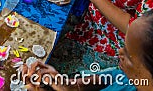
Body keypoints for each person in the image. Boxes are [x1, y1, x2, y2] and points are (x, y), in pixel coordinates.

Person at [24, 11, 153, 91]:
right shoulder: (134, 79)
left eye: (129, 56)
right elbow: (111, 78)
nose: (119, 51)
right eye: (124, 46)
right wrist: (70, 86)